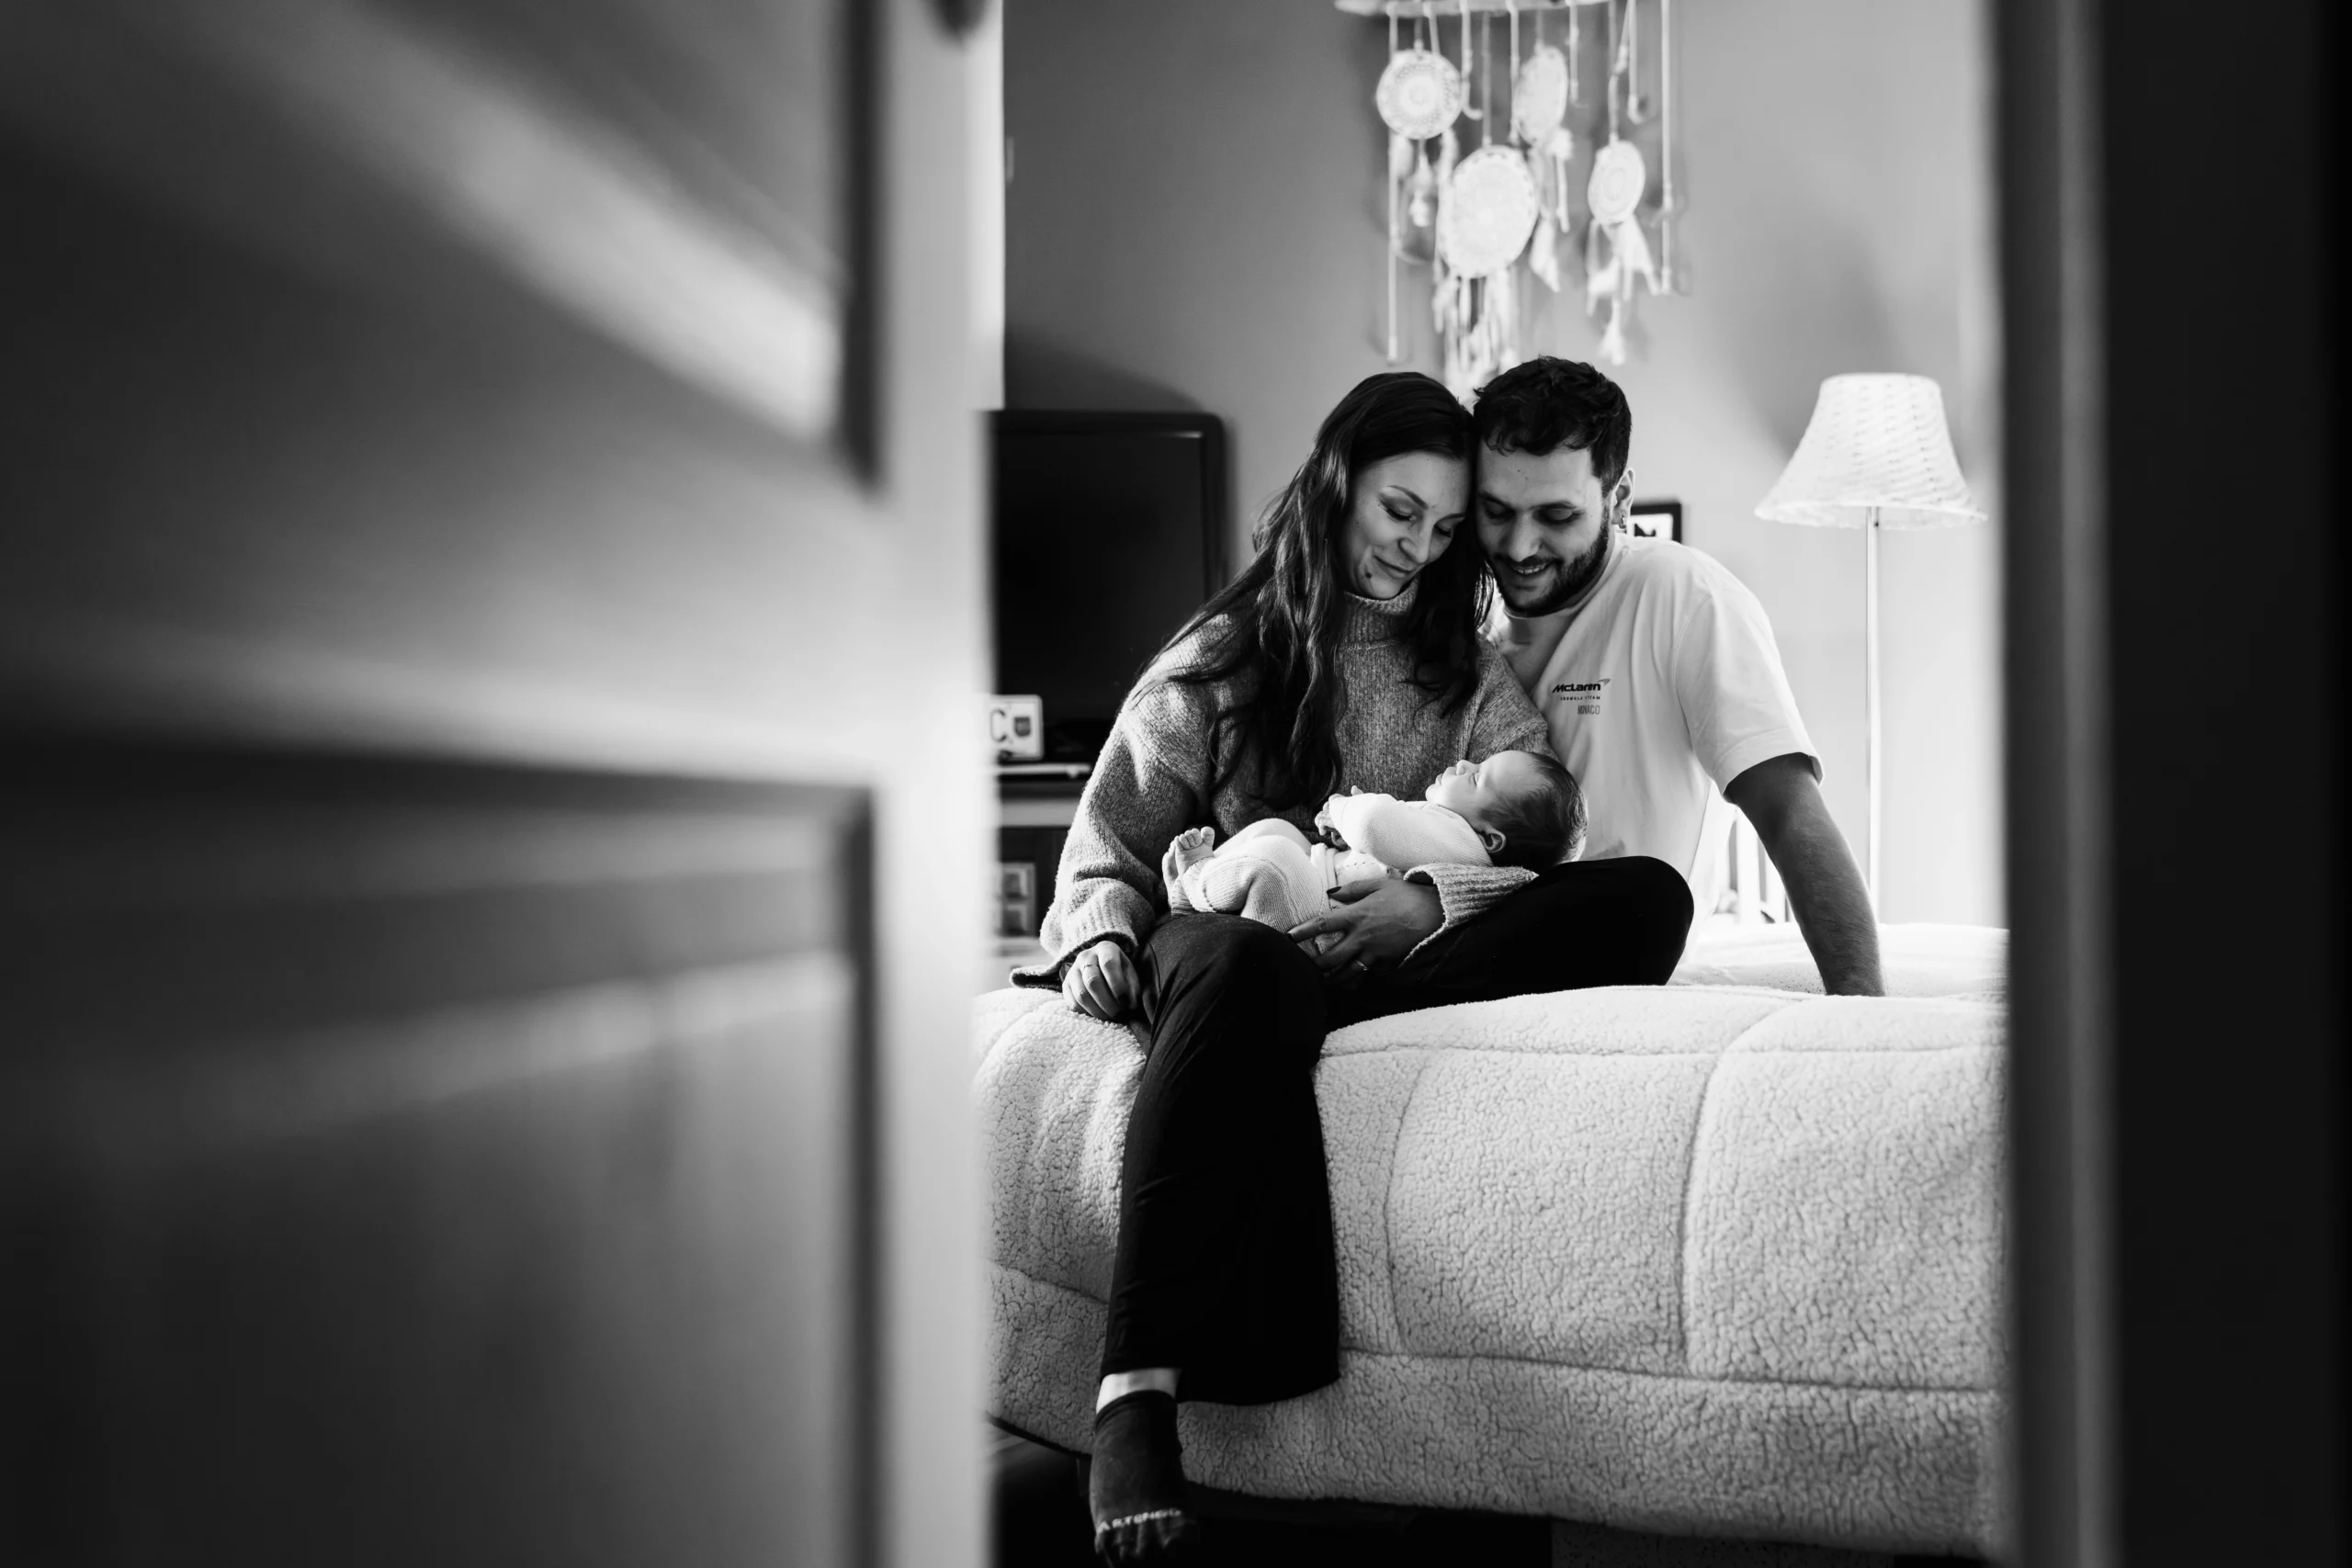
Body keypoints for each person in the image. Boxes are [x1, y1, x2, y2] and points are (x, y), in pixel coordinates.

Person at [1012, 370, 1692, 1564]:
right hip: (1239, 943)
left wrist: (1427, 897)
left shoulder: (1467, 672)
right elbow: (1112, 841)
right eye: (1399, 513)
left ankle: (1317, 990)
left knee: (1649, 893)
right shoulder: (1219, 656)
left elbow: (1539, 832)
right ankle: (1136, 1393)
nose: (1417, 551)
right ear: (1337, 485)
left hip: (1388, 962)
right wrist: (1105, 935)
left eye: (1440, 529)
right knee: (1245, 969)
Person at [1308, 356, 1882, 996]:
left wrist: (1859, 1002)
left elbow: (1788, 813)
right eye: (1495, 511)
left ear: (1619, 498)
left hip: (1604, 938)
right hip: (1447, 944)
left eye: (1555, 517)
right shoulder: (1456, 617)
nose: (1520, 548)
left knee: (1648, 894)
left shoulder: (1683, 595)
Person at [1161, 749, 1583, 932]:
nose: (1462, 762)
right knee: (1280, 833)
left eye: (1476, 777)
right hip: (1316, 887)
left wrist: (1346, 809)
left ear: (1491, 840)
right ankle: (1193, 895)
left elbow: (1376, 825)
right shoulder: (1454, 836)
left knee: (1274, 855)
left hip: (1315, 925)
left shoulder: (1462, 844)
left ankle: (1198, 878)